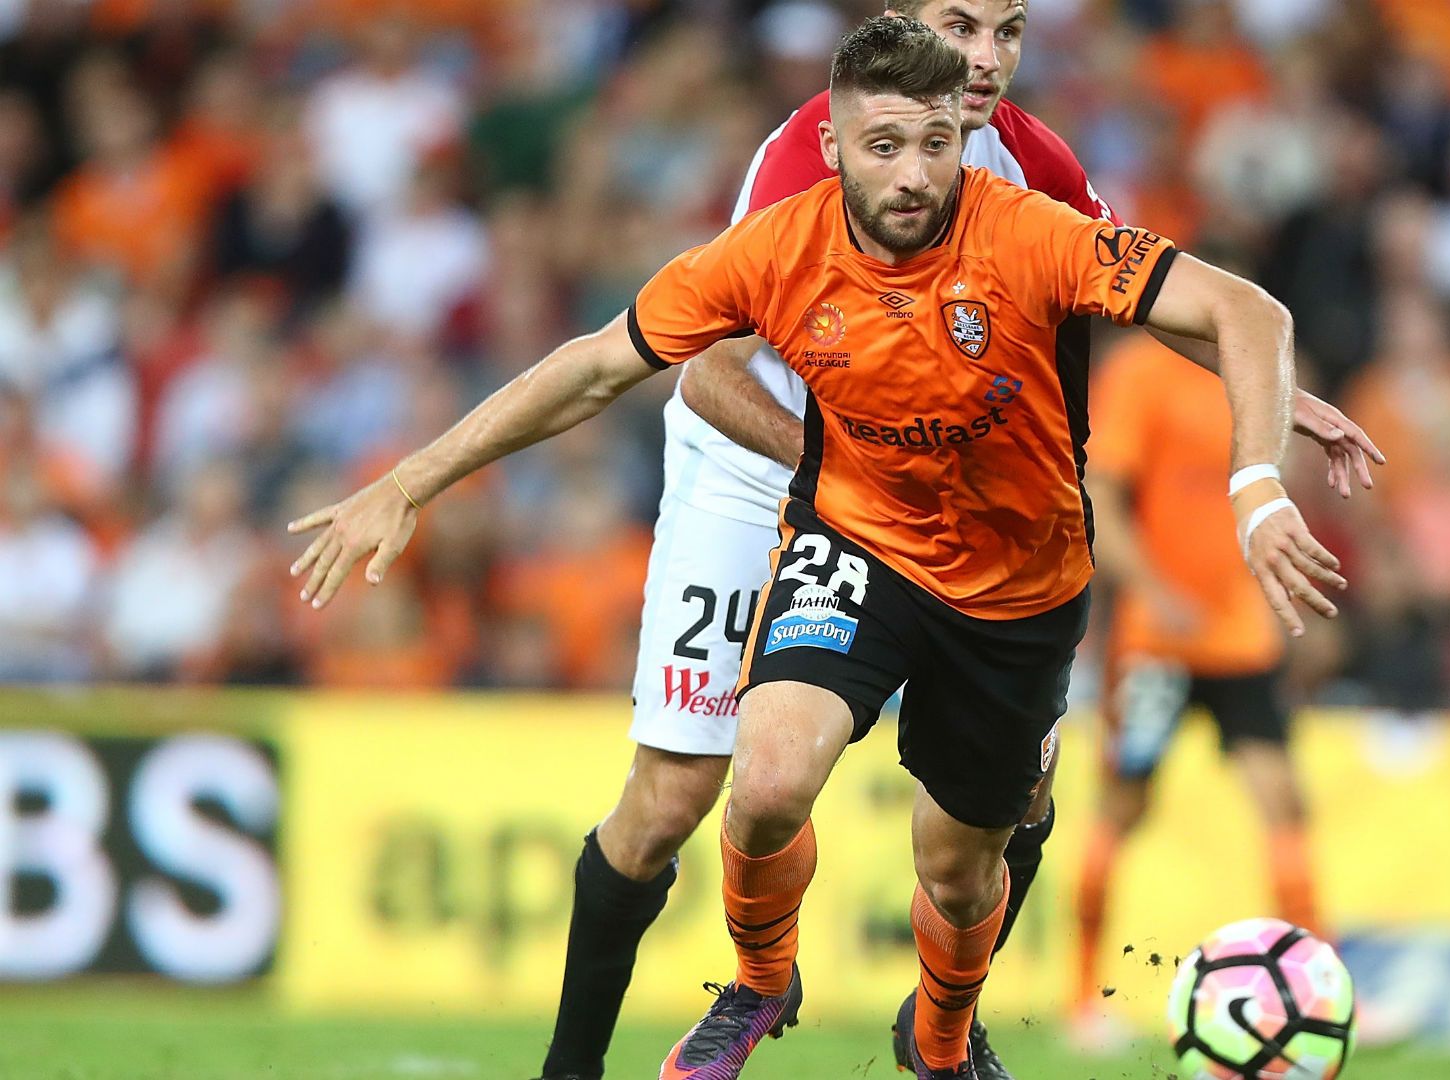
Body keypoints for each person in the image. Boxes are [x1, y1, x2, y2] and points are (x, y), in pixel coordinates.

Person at [289, 16, 1350, 1080]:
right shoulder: (793, 194)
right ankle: (736, 989)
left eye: (1007, 31)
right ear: (849, 130)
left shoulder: (1030, 193)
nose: (982, 58)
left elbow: (1214, 307)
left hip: (1006, 551)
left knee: (971, 853)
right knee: (727, 785)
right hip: (800, 483)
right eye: (957, 27)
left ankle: (942, 1031)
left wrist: (1259, 438)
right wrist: (409, 480)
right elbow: (651, 367)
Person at [1070, 334, 1328, 1042]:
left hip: (1241, 633)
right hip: (1158, 638)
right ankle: (1082, 1000)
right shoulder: (1140, 374)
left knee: (1283, 800)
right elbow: (1103, 493)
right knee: (1124, 806)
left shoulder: (1255, 368)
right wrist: (1151, 588)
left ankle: (1316, 991)